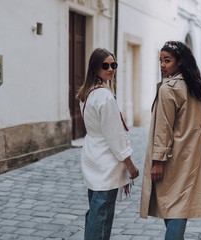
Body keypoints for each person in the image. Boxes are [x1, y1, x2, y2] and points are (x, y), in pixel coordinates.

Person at [140, 41, 201, 239]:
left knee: (173, 207)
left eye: (167, 60)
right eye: (160, 60)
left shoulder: (169, 88)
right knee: (180, 204)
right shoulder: (194, 85)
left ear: (179, 62)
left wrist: (158, 161)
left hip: (172, 158)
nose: (162, 65)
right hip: (191, 155)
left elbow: (163, 127)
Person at [76, 48, 139, 240]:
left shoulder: (87, 94)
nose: (110, 69)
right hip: (106, 160)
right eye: (105, 65)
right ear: (95, 68)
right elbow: (115, 135)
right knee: (101, 214)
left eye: (114, 65)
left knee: (95, 209)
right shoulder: (104, 96)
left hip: (93, 157)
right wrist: (129, 163)